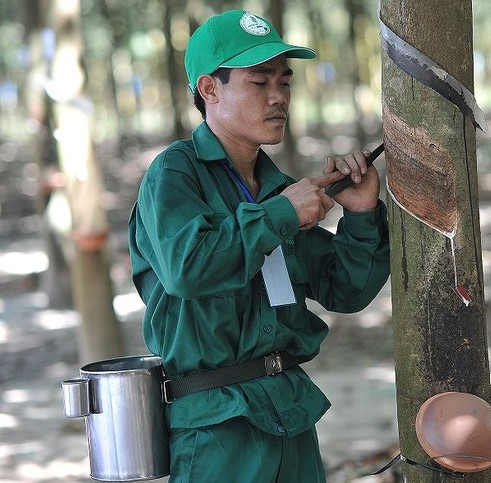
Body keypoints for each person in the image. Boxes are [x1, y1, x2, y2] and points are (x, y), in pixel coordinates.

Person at [127, 10, 390, 482]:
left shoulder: (276, 187)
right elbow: (187, 269)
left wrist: (362, 213)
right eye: (259, 82)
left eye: (284, 82)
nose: (278, 97)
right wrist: (279, 215)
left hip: (289, 411)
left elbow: (346, 291)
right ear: (210, 89)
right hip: (218, 426)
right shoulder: (175, 173)